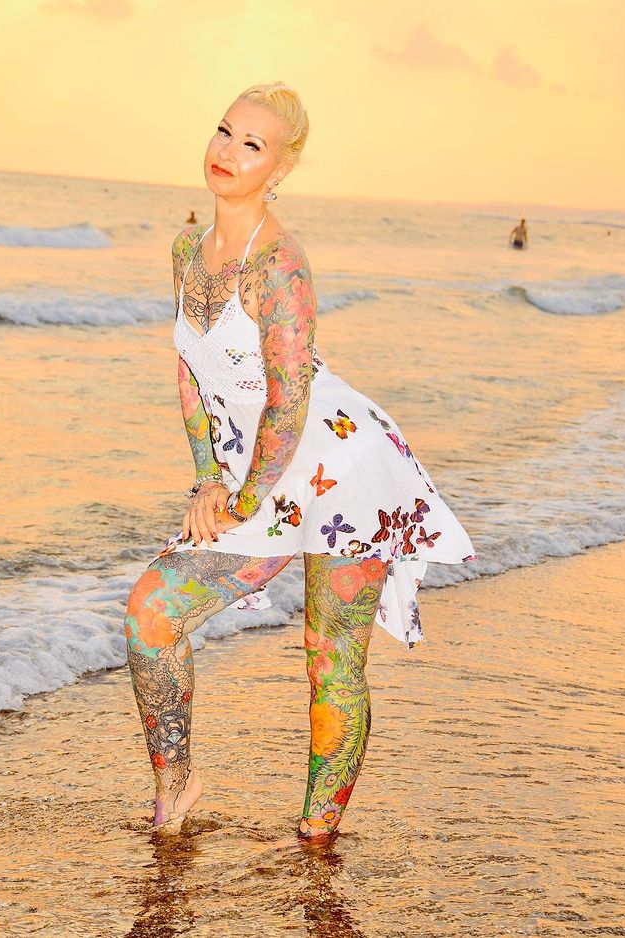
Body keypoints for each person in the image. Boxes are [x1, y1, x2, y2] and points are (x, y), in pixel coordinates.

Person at [123, 81, 477, 840]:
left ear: (279, 169)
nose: (228, 151)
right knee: (151, 613)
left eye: (252, 144)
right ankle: (175, 788)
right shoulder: (186, 250)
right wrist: (207, 478)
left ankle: (319, 835)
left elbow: (288, 403)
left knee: (330, 655)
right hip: (254, 469)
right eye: (224, 131)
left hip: (340, 467)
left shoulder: (281, 265)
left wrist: (244, 499)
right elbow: (190, 372)